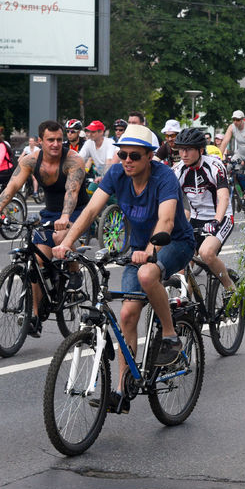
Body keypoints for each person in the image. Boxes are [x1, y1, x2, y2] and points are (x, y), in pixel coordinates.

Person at [53, 124, 195, 414]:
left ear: (149, 157)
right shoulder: (117, 173)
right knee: (128, 314)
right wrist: (66, 242)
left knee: (147, 275)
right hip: (139, 249)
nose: (127, 160)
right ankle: (121, 391)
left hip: (175, 242)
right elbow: (91, 210)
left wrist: (151, 252)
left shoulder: (164, 177)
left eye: (134, 155)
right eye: (122, 154)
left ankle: (170, 335)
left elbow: (167, 221)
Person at [0, 120, 90, 336]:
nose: (55, 144)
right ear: (40, 141)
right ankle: (34, 316)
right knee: (36, 261)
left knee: (62, 236)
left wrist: (65, 216)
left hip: (75, 212)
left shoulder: (74, 160)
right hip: (50, 213)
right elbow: (13, 185)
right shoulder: (31, 160)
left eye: (59, 140)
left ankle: (74, 273)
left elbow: (72, 192)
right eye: (50, 140)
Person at [173, 128, 235, 292]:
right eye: (181, 149)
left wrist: (216, 221)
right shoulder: (178, 170)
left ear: (200, 150)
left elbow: (223, 197)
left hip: (220, 217)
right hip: (195, 218)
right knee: (181, 266)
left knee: (206, 253)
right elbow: (169, 200)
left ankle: (230, 288)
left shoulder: (215, 166)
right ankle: (189, 308)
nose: (183, 154)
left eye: (188, 149)